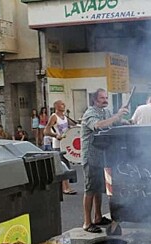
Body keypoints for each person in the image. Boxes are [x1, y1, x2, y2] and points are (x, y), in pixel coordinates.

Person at [81, 88, 130, 233]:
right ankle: (87, 222)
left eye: (106, 97)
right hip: (91, 156)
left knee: (99, 189)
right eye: (102, 98)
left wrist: (126, 121)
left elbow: (114, 123)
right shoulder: (90, 113)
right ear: (95, 100)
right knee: (90, 189)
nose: (105, 100)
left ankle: (98, 217)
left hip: (103, 157)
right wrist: (117, 116)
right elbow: (99, 125)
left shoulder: (106, 112)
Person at [44, 100, 77, 195]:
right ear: (56, 106)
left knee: (66, 164)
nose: (64, 105)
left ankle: (66, 187)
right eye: (62, 104)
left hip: (65, 144)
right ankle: (65, 188)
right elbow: (46, 131)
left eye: (64, 104)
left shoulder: (65, 117)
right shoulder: (54, 116)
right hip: (58, 145)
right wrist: (55, 135)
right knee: (62, 165)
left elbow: (73, 125)